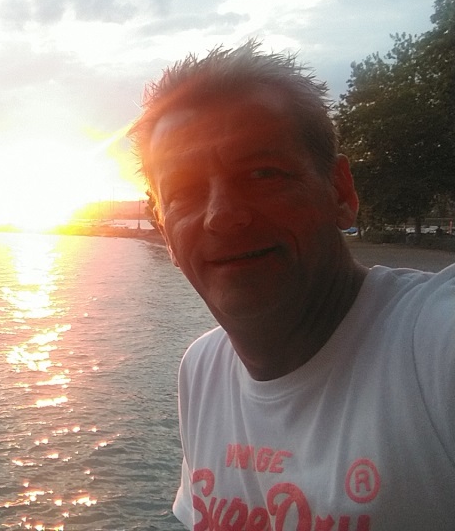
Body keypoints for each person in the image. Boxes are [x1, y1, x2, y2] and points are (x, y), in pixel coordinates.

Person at [129, 41, 455, 529]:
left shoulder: (434, 346)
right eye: (186, 191)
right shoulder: (202, 369)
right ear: (163, 230)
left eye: (263, 174)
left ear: (340, 192)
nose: (222, 215)